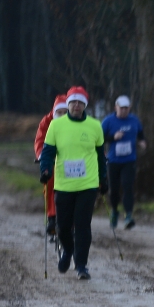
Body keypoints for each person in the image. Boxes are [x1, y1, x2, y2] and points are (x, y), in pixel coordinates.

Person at [39, 86, 107, 280]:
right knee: (62, 227)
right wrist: (45, 169)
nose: (76, 105)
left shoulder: (95, 126)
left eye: (80, 102)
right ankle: (68, 250)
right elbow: (48, 152)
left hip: (88, 184)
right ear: (68, 104)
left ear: (85, 105)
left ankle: (82, 265)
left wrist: (103, 179)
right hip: (64, 185)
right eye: (73, 102)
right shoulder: (56, 125)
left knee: (83, 225)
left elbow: (100, 156)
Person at [101, 95, 146, 229]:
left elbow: (140, 133)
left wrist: (142, 142)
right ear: (116, 107)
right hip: (113, 161)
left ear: (129, 108)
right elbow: (99, 138)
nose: (124, 110)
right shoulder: (108, 121)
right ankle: (115, 211)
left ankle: (128, 216)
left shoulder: (134, 120)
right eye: (122, 108)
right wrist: (113, 137)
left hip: (129, 160)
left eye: (126, 108)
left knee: (128, 186)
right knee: (114, 189)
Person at [34, 94, 68, 235]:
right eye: (59, 112)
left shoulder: (76, 122)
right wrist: (42, 156)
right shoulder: (46, 122)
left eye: (65, 112)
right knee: (49, 182)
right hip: (52, 159)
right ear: (54, 112)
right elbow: (40, 140)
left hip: (71, 161)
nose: (62, 115)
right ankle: (52, 217)